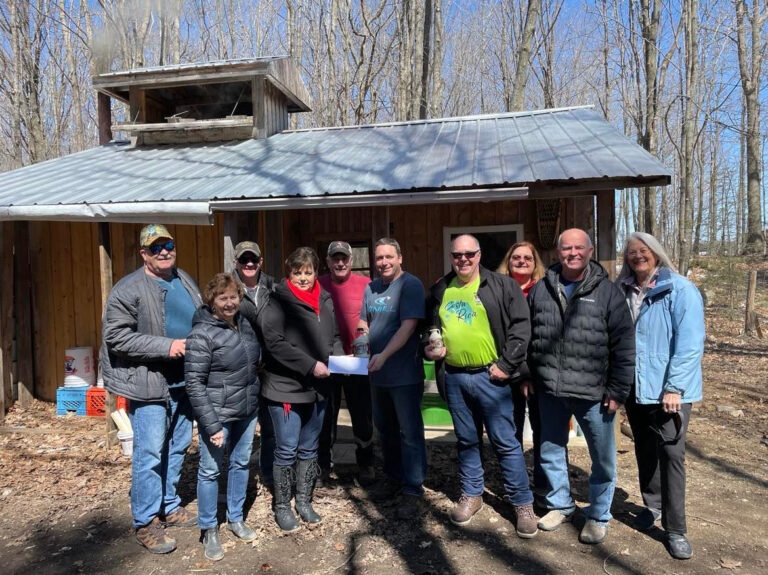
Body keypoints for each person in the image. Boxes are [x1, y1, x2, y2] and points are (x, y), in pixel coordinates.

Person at [527, 228, 634, 544]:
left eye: (579, 248)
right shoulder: (543, 289)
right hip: (550, 389)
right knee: (550, 449)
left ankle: (599, 514)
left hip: (594, 393)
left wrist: (617, 390)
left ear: (589, 251)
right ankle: (561, 503)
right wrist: (530, 375)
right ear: (557, 253)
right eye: (566, 248)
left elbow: (624, 345)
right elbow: (529, 335)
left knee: (602, 458)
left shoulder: (608, 292)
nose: (572, 253)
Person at [425, 234, 537, 538]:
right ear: (451, 256)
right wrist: (428, 346)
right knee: (466, 440)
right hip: (455, 377)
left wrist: (506, 366)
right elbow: (429, 327)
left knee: (506, 442)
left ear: (479, 255)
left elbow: (521, 328)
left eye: (469, 254)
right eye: (457, 255)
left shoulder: (501, 285)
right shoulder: (440, 288)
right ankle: (472, 494)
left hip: (491, 378)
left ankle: (522, 504)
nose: (463, 259)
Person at [100, 224, 201, 554]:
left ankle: (169, 504)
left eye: (168, 244)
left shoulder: (183, 279)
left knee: (178, 445)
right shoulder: (128, 289)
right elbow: (116, 337)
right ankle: (145, 521)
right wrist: (168, 346)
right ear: (143, 253)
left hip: (185, 382)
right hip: (148, 384)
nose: (164, 252)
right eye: (155, 247)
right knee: (150, 452)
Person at [618, 232, 704, 560]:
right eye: (632, 253)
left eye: (644, 251)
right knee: (645, 448)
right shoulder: (624, 290)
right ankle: (652, 506)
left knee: (672, 455)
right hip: (637, 387)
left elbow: (690, 342)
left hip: (670, 391)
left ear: (656, 254)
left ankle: (676, 528)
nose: (638, 256)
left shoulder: (680, 289)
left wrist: (675, 387)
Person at [258, 247, 343, 531]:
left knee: (309, 448)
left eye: (308, 272)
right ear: (289, 273)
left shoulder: (325, 299)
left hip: (318, 387)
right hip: (286, 388)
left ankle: (304, 501)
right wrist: (310, 365)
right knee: (286, 449)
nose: (303, 278)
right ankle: (282, 505)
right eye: (297, 273)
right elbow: (275, 343)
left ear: (316, 271)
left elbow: (333, 337)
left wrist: (341, 361)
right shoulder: (277, 302)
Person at [185, 273, 261, 561]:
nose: (229, 303)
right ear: (212, 301)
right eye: (223, 298)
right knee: (210, 471)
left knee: (241, 464)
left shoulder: (245, 325)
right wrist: (211, 424)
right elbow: (194, 383)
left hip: (246, 410)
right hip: (217, 416)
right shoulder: (202, 333)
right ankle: (208, 528)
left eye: (233, 297)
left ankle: (236, 518)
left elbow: (255, 363)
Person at [359, 238, 427, 520]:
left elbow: (409, 326)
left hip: (403, 374)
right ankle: (394, 478)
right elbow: (364, 321)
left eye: (388, 257)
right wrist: (361, 339)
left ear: (400, 258)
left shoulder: (410, 285)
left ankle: (413, 488)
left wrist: (384, 355)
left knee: (409, 433)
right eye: (379, 258)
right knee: (384, 429)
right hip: (378, 375)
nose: (383, 262)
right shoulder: (371, 287)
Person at [317, 241, 375, 486]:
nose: (340, 263)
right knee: (325, 417)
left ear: (351, 261)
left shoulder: (367, 285)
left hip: (357, 362)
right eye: (335, 259)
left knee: (362, 417)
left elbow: (376, 317)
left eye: (344, 258)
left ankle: (366, 465)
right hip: (327, 362)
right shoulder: (316, 284)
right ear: (328, 261)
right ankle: (322, 467)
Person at [497, 241, 547, 498]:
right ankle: (513, 485)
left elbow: (536, 335)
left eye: (528, 257)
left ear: (535, 262)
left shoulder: (543, 290)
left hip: (537, 372)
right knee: (510, 431)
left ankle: (542, 485)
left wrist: (527, 373)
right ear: (509, 260)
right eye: (516, 257)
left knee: (543, 431)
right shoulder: (498, 289)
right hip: (506, 370)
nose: (522, 261)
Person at [232, 241, 276, 489]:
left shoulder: (274, 288)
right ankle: (238, 482)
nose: (249, 264)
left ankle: (268, 475)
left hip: (270, 370)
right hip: (240, 370)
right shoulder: (226, 289)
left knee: (269, 427)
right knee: (239, 429)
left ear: (260, 262)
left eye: (253, 260)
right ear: (235, 262)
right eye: (243, 260)